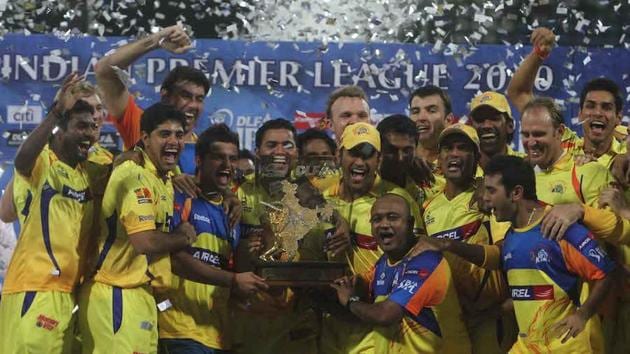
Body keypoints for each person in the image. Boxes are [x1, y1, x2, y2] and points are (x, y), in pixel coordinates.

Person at [428, 155, 616, 352]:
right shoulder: (511, 236)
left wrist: (582, 315)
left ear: (516, 193)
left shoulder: (560, 228)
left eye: (491, 191)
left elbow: (606, 273)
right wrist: (489, 313)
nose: (484, 198)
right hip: (527, 346)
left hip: (567, 346)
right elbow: (527, 293)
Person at [78, 102, 197, 353]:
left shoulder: (162, 178)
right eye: (164, 134)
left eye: (179, 135)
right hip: (115, 293)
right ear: (145, 138)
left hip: (140, 294)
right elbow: (145, 242)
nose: (173, 141)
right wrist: (183, 236)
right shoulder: (135, 174)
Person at [0, 74, 98, 353]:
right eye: (81, 126)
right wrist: (55, 112)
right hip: (35, 289)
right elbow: (21, 161)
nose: (89, 133)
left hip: (68, 293)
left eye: (92, 127)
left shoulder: (84, 174)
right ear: (61, 130)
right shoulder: (43, 161)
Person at [157, 124, 268, 353]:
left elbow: (233, 269)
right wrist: (234, 280)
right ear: (199, 160)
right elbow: (174, 261)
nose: (227, 166)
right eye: (218, 158)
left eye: (232, 158)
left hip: (218, 335)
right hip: (178, 330)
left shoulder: (233, 211)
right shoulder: (179, 197)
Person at [320, 122, 424, 353]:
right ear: (339, 155)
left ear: (379, 160)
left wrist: (368, 286)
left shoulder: (397, 200)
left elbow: (419, 263)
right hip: (329, 328)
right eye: (354, 153)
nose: (360, 162)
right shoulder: (323, 200)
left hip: (378, 332)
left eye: (368, 155)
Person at [331, 193, 464, 353]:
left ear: (410, 224)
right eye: (377, 219)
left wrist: (351, 301)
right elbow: (360, 288)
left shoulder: (427, 261)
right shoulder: (383, 262)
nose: (384, 224)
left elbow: (385, 314)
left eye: (393, 218)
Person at [230, 118, 320, 354]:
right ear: (257, 151)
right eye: (271, 145)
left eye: (287, 145)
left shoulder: (314, 197)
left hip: (298, 327)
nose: (280, 152)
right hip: (249, 323)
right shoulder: (237, 191)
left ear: (297, 153)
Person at [423, 123, 511, 353]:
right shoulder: (428, 206)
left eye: (462, 148)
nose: (454, 154)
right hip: (446, 319)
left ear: (476, 157)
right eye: (448, 148)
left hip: (488, 319)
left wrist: (450, 245)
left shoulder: (489, 197)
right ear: (439, 158)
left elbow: (504, 254)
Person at [94, 24, 209, 175]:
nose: (193, 105)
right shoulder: (143, 125)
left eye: (199, 99)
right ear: (165, 96)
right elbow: (105, 71)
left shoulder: (206, 149)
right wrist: (157, 40)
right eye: (185, 96)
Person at [507, 27, 626, 167]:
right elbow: (519, 92)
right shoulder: (562, 144)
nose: (597, 113)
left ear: (618, 116)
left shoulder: (625, 155)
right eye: (590, 106)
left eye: (606, 107)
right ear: (580, 114)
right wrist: (539, 53)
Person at [520, 97, 613, 206]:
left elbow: (619, 221)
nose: (531, 143)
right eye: (526, 135)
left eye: (539, 134)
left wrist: (581, 212)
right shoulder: (517, 173)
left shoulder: (588, 172)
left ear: (559, 132)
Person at [376, 114, 435, 208]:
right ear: (379, 148)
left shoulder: (428, 181)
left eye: (407, 151)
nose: (400, 157)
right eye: (392, 150)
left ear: (416, 149)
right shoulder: (366, 183)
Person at [469, 91, 524, 171]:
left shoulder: (525, 166)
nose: (486, 126)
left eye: (494, 118)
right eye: (479, 119)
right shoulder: (463, 170)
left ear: (510, 126)